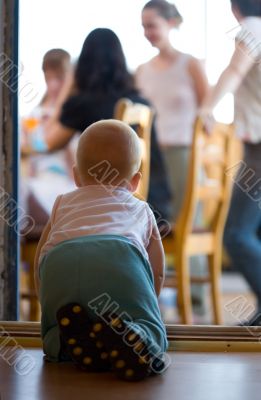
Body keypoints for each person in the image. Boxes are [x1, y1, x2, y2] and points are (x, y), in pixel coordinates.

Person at [34, 119, 168, 381]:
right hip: (120, 259)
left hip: (60, 264)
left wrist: (47, 299)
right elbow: (158, 269)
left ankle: (64, 341)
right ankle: (136, 335)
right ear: (135, 181)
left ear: (76, 176)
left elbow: (41, 257)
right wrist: (146, 304)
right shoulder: (141, 208)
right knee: (152, 331)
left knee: (51, 330)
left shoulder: (62, 203)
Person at [41, 28, 172, 225]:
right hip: (156, 207)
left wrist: (67, 87)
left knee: (41, 206)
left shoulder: (84, 104)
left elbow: (47, 143)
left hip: (117, 214)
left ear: (82, 66)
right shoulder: (142, 103)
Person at [200, 0, 261, 325]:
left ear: (236, 7)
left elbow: (235, 71)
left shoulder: (251, 28)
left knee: (237, 233)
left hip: (260, 149)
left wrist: (207, 108)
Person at [136, 0, 209, 221]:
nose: (147, 32)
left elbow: (208, 115)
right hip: (151, 159)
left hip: (184, 154)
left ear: (170, 23)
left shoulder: (191, 64)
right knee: (152, 227)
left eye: (152, 25)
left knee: (186, 222)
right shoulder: (141, 71)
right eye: (143, 27)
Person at [21, 48, 75, 218]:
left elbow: (76, 166)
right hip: (39, 180)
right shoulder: (35, 115)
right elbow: (28, 159)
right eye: (48, 78)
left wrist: (60, 136)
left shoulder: (74, 115)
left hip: (67, 182)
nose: (53, 85)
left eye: (59, 78)